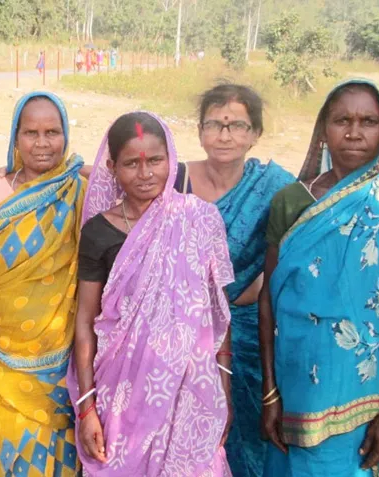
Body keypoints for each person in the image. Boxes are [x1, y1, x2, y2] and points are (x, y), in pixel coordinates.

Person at [171, 83, 379, 477]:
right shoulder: (177, 180)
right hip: (215, 344)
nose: (225, 133)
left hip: (305, 361)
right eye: (215, 124)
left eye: (368, 122)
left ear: (255, 134)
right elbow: (127, 180)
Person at [259, 79, 379, 476]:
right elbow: (269, 300)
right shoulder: (292, 201)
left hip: (375, 398)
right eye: (342, 120)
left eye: (368, 121)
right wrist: (270, 391)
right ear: (324, 129)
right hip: (299, 388)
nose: (354, 132)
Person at [69, 112, 235, 476]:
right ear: (112, 167)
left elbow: (216, 313)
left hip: (190, 392)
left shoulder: (198, 219)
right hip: (121, 396)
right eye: (131, 163)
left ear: (171, 160)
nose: (145, 174)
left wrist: (223, 388)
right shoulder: (99, 232)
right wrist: (86, 407)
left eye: (156, 161)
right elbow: (85, 322)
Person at [0, 92, 84, 476]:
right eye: (31, 133)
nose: (42, 143)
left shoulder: (77, 191)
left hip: (57, 365)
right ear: (15, 137)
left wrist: (81, 168)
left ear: (66, 136)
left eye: (52, 132)